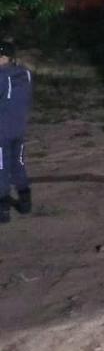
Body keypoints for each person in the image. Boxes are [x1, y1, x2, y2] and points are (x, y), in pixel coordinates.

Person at [0, 39, 32, 223]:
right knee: (18, 163)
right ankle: (25, 200)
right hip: (19, 127)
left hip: (1, 131)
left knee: (1, 168)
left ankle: (3, 209)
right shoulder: (25, 73)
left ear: (5, 57)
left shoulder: (1, 76)